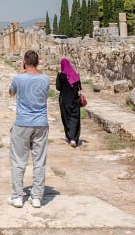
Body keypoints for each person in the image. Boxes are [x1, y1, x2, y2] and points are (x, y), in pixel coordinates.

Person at [7, 50, 50, 208]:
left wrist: (19, 73)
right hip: (41, 123)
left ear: (24, 62)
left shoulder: (19, 78)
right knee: (39, 161)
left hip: (22, 123)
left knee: (18, 160)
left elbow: (11, 93)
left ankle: (18, 196)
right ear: (38, 62)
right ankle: (37, 197)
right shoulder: (46, 79)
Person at [56, 57, 82, 147]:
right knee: (75, 119)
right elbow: (79, 88)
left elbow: (58, 88)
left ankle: (69, 137)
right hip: (75, 101)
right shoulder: (76, 75)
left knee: (66, 118)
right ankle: (74, 139)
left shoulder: (60, 76)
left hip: (64, 101)